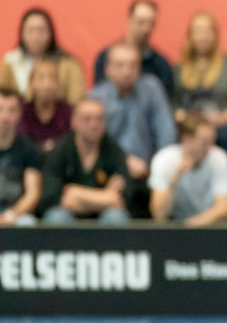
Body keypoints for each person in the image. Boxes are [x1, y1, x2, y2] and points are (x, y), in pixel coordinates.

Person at [89, 42, 177, 217]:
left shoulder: (152, 88)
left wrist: (156, 168)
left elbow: (166, 133)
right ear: (107, 69)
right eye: (120, 65)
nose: (126, 71)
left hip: (148, 174)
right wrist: (123, 162)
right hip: (109, 176)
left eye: (132, 65)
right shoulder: (96, 98)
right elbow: (92, 142)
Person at [173, 12, 227, 175]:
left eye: (208, 31)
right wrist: (187, 119)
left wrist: (223, 118)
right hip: (189, 125)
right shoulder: (179, 69)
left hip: (221, 124)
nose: (203, 36)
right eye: (198, 31)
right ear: (190, 36)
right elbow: (174, 106)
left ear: (215, 35)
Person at [41, 98, 130, 225]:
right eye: (86, 119)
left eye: (99, 119)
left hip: (103, 217)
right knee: (56, 218)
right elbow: (50, 198)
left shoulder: (114, 152)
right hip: (68, 215)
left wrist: (74, 192)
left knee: (117, 217)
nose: (94, 125)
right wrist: (106, 196)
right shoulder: (59, 151)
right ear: (73, 122)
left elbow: (121, 200)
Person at [148, 115, 227, 227]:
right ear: (186, 139)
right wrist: (174, 179)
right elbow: (159, 214)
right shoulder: (164, 160)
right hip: (173, 229)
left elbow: (224, 208)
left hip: (209, 228)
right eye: (204, 143)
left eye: (212, 141)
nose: (209, 148)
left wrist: (191, 226)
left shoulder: (219, 158)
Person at [1, 7, 85, 103]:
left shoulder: (69, 64)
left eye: (41, 30)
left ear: (50, 33)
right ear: (22, 33)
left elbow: (76, 101)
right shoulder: (10, 61)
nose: (36, 36)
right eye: (30, 30)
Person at [93, 0, 174, 97]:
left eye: (151, 23)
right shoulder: (106, 57)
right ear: (129, 20)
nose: (146, 29)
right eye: (141, 22)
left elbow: (164, 104)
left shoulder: (161, 65)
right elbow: (99, 97)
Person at [0, 86, 41, 226]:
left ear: (19, 114)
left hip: (16, 213)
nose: (5, 116)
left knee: (27, 223)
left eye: (12, 110)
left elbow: (32, 194)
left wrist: (11, 214)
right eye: (0, 109)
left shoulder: (28, 148)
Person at [19, 57, 73, 155]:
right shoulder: (22, 111)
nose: (47, 85)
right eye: (41, 78)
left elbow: (70, 142)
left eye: (52, 78)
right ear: (31, 82)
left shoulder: (67, 111)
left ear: (58, 83)